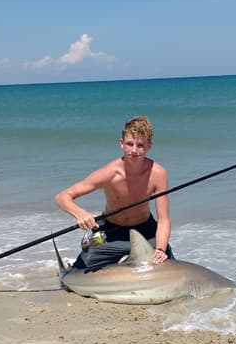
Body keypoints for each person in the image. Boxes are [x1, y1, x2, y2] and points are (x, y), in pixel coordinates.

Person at [55, 115, 174, 270]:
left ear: (149, 146)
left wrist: (160, 249)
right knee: (77, 273)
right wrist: (81, 213)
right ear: (121, 143)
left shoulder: (158, 173)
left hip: (145, 230)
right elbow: (62, 197)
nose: (134, 150)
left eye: (140, 145)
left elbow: (164, 220)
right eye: (130, 144)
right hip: (111, 231)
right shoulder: (109, 173)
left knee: (169, 268)